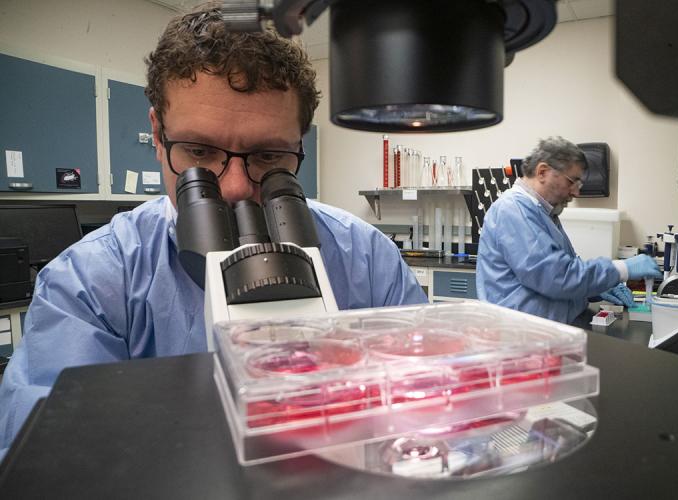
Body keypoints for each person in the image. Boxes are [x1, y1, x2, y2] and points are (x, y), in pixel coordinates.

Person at [0, 5, 427, 457]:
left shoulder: (368, 261)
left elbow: (429, 418)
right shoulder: (89, 285)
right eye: (200, 152)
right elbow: (50, 462)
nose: (236, 188)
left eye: (269, 157)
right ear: (158, 134)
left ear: (301, 144)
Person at [476, 136, 661, 324]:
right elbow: (557, 277)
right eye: (572, 182)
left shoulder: (543, 212)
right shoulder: (513, 210)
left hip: (544, 331)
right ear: (542, 172)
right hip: (521, 336)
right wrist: (621, 269)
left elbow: (566, 266)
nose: (576, 192)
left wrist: (593, 289)